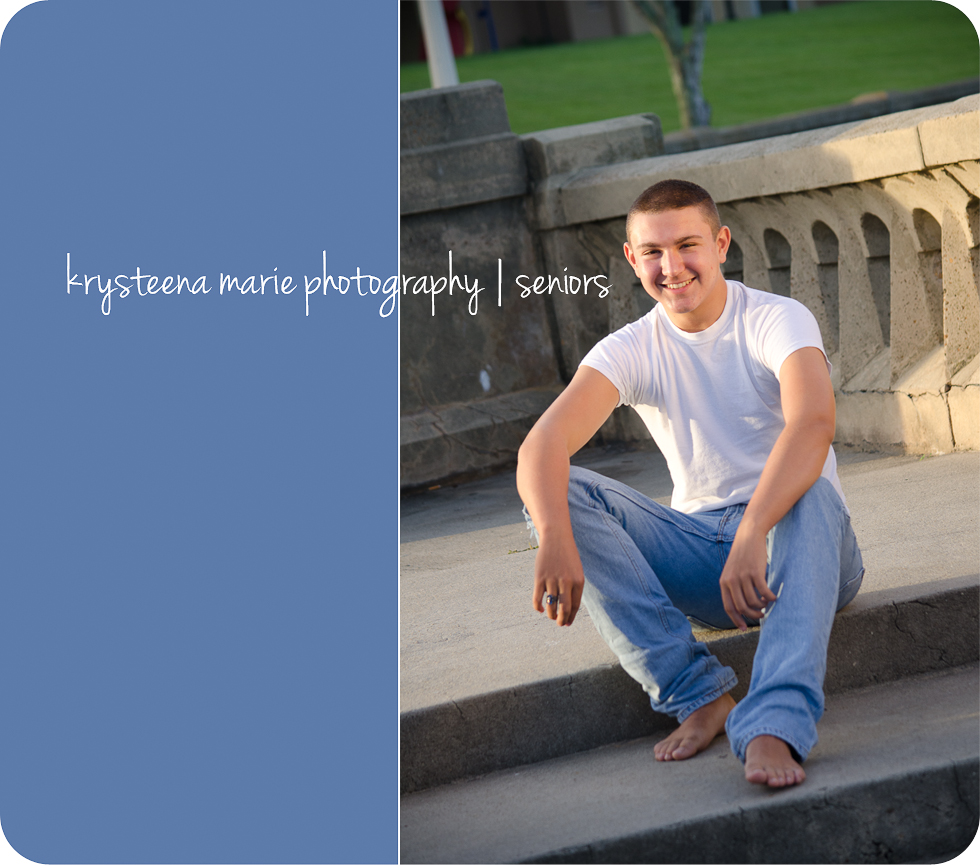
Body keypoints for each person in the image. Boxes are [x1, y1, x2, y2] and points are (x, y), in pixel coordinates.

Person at [516, 179, 864, 788]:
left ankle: (775, 723)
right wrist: (554, 534)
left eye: (687, 245)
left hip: (809, 543)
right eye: (652, 252)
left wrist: (754, 529)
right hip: (705, 552)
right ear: (632, 259)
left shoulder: (776, 318)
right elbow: (541, 445)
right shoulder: (632, 347)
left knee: (810, 490)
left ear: (721, 244)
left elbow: (813, 424)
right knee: (561, 491)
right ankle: (697, 694)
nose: (671, 267)